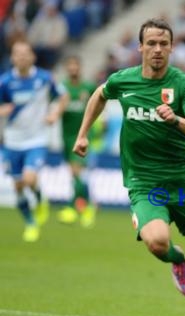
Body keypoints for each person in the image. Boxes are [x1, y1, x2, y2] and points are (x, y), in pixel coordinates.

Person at [72, 18, 185, 316]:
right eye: (152, 43)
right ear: (141, 47)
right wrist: (83, 134)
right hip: (144, 181)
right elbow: (99, 95)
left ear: (171, 47)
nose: (157, 49)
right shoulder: (123, 80)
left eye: (163, 43)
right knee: (157, 242)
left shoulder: (183, 84)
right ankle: (178, 259)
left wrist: (177, 120)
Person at [0, 39, 68, 242]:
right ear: (12, 57)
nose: (21, 57)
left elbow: (63, 97)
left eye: (25, 53)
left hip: (36, 139)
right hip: (13, 140)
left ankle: (39, 198)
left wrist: (55, 114)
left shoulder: (45, 78)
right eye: (17, 53)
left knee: (29, 179)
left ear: (32, 56)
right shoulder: (5, 81)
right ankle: (30, 223)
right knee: (18, 186)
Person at [57, 55, 97, 228]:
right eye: (70, 66)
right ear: (67, 68)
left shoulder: (88, 88)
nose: (73, 69)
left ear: (80, 68)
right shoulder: (61, 89)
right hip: (65, 137)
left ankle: (79, 207)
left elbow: (98, 105)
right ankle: (86, 206)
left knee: (76, 172)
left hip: (82, 136)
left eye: (76, 66)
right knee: (74, 174)